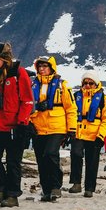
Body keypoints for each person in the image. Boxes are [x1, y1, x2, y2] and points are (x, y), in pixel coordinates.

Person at [0, 43, 34, 208]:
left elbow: (27, 101)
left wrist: (21, 122)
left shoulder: (19, 73)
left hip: (14, 126)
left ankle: (12, 195)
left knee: (13, 161)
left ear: (3, 58)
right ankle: (0, 188)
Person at [30, 56, 78, 202]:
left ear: (51, 68)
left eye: (45, 66)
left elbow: (71, 108)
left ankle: (56, 187)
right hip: (38, 127)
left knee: (50, 154)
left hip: (57, 126)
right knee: (41, 159)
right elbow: (28, 106)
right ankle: (46, 190)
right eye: (40, 66)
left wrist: (72, 129)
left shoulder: (63, 86)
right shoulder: (32, 85)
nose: (42, 69)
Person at [70, 71, 106, 197]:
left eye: (90, 83)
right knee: (76, 154)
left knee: (92, 161)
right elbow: (70, 114)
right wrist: (69, 131)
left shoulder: (103, 99)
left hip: (95, 134)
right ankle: (76, 183)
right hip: (79, 132)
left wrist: (101, 135)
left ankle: (89, 188)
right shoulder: (76, 95)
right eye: (85, 82)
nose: (87, 85)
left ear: (96, 84)